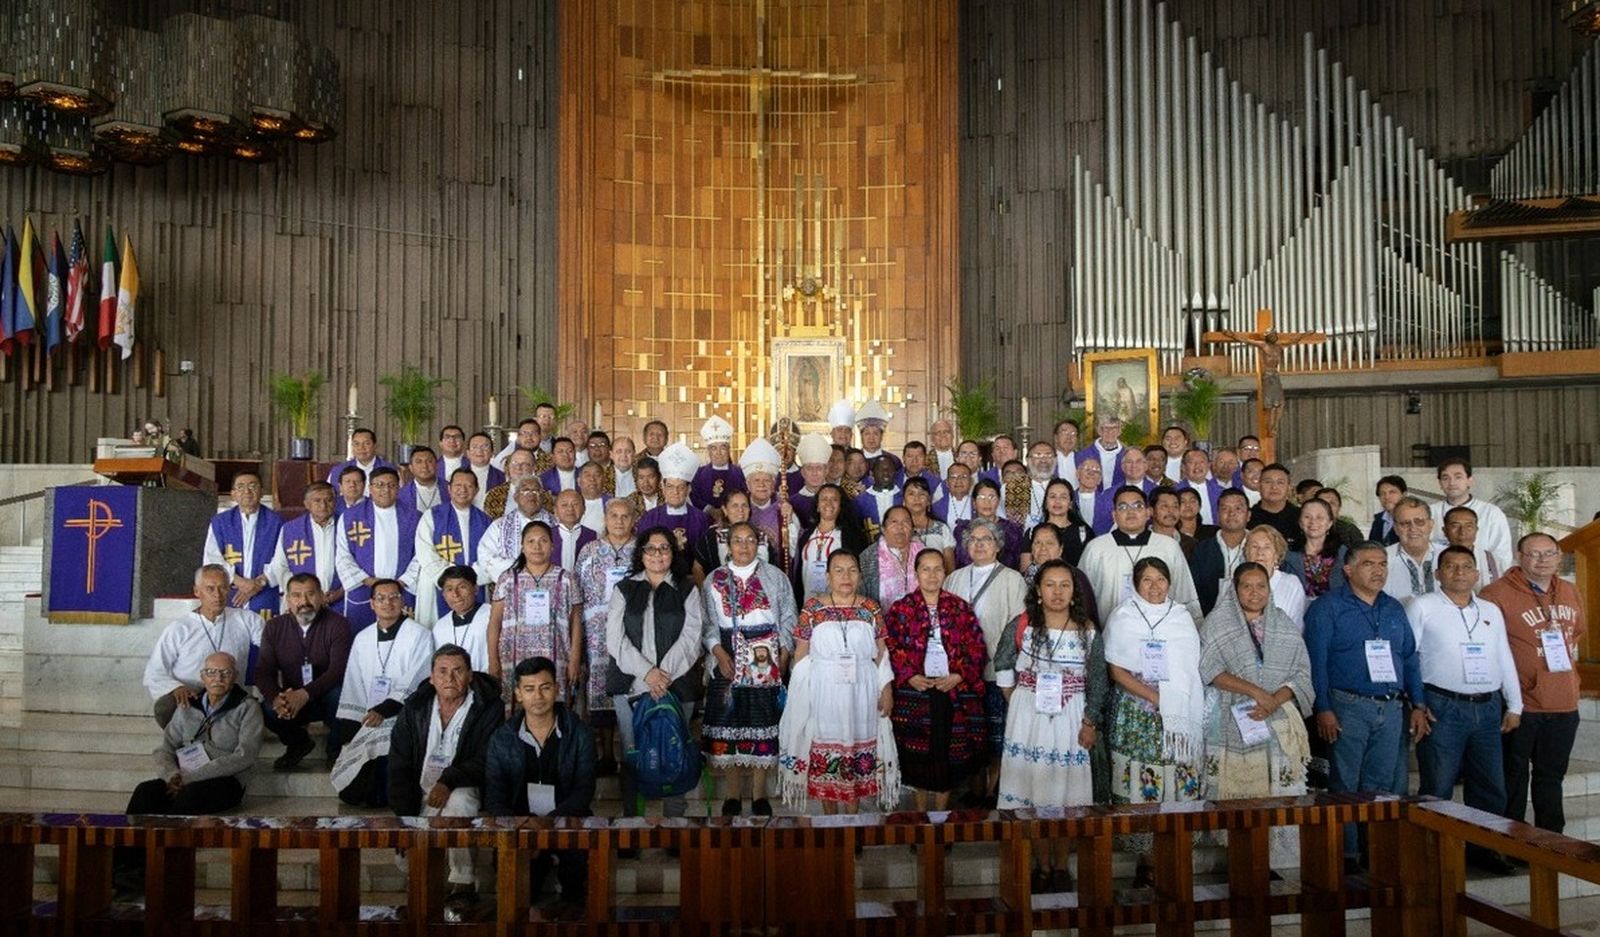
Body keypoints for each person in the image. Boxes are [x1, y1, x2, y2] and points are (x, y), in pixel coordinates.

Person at [1304, 542, 1428, 872]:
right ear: (1348, 569)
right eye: (1369, 563)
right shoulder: (1327, 608)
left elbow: (1410, 659)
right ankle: (1346, 855)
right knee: (1344, 785)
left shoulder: (1393, 608)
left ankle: (1377, 851)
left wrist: (1418, 704)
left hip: (1390, 709)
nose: (1378, 570)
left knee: (1382, 785)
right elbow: (1316, 664)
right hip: (1347, 705)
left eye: (1383, 564)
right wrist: (1324, 708)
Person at [994, 560, 1107, 892]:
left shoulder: (1087, 631)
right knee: (1033, 791)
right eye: (1050, 585)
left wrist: (1090, 722)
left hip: (1072, 718)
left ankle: (1061, 866)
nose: (1057, 592)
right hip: (1028, 718)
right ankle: (1040, 866)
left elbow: (1098, 681)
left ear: (1074, 592)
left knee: (1067, 791)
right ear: (1038, 592)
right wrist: (1017, 699)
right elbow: (1002, 661)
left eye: (1064, 585)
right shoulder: (1022, 624)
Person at [1408, 546, 1522, 873]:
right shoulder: (1422, 607)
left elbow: (1503, 656)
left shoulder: (1490, 609)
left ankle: (1484, 849)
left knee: (1489, 786)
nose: (1459, 572)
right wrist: (1416, 703)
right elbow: (1409, 658)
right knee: (1438, 786)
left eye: (1466, 567)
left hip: (1487, 708)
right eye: (1451, 566)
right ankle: (1432, 854)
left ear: (1476, 574)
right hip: (1442, 706)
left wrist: (1515, 704)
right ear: (1438, 573)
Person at [114, 651, 262, 895]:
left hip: (224, 781)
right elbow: (165, 748)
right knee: (146, 793)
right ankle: (122, 868)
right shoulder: (188, 706)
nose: (218, 678)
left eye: (225, 673)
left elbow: (244, 756)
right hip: (181, 777)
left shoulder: (247, 707)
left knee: (187, 799)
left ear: (234, 676)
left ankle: (157, 870)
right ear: (203, 677)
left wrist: (188, 778)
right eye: (212, 672)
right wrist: (171, 775)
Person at [1199, 563, 1314, 869]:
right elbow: (1209, 669)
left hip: (1277, 720)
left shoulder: (1283, 623)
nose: (1254, 592)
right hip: (1231, 716)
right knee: (1241, 800)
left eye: (1260, 586)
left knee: (1278, 796)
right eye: (1246, 586)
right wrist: (1255, 692)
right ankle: (1242, 864)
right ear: (1234, 590)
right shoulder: (1217, 623)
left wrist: (1274, 699)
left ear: (1269, 588)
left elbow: (1302, 673)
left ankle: (1275, 865)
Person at [1104, 557, 1205, 886]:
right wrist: (1155, 698)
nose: (1154, 586)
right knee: (1141, 786)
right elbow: (1116, 669)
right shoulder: (1123, 616)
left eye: (1160, 579)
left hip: (1177, 722)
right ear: (1135, 583)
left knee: (1177, 783)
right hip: (1137, 716)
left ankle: (1175, 857)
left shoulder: (1180, 617)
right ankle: (1146, 863)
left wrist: (1173, 701)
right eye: (1146, 580)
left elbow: (1191, 668)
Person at [1483, 533, 1587, 835]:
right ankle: (1510, 843)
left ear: (1559, 557)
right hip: (1521, 703)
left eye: (1549, 553)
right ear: (1519, 556)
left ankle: (1552, 841)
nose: (1542, 560)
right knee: (1513, 776)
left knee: (1551, 776)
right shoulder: (1496, 593)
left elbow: (1576, 633)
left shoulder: (1569, 590)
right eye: (1533, 554)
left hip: (1564, 700)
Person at [779, 549, 898, 813]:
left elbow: (881, 653)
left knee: (856, 751)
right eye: (839, 570)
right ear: (828, 576)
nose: (846, 576)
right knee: (826, 753)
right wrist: (800, 697)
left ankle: (852, 823)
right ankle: (829, 824)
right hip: (824, 693)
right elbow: (801, 655)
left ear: (860, 575)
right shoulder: (812, 609)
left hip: (862, 692)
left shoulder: (871, 608)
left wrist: (886, 688)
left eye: (852, 570)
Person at [388, 645, 503, 912]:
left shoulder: (488, 706)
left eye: (457, 671)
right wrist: (405, 816)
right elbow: (399, 765)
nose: (450, 679)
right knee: (411, 858)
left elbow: (488, 757)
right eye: (442, 672)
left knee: (459, 802)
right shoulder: (415, 708)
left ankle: (463, 884)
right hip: (421, 789)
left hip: (466, 784)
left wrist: (449, 779)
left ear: (471, 675)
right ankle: (425, 882)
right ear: (431, 677)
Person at [699, 521, 798, 815]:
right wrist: (718, 653)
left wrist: (782, 655)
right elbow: (707, 623)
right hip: (726, 653)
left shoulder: (775, 577)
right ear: (728, 545)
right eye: (738, 540)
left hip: (765, 657)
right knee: (729, 724)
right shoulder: (713, 579)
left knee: (761, 724)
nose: (744, 546)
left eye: (750, 540)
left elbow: (789, 617)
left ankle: (758, 795)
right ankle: (732, 795)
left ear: (759, 544)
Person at [607, 526, 706, 819]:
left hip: (676, 684)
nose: (658, 554)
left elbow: (692, 637)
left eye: (665, 548)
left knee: (676, 747)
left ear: (673, 553)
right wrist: (647, 674)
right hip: (631, 685)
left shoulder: (686, 588)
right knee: (632, 753)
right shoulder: (624, 589)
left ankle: (675, 818)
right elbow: (615, 639)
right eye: (651, 548)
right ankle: (631, 819)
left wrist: (663, 676)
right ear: (641, 553)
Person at [484, 656, 597, 907]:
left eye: (545, 687)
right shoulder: (502, 739)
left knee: (577, 889)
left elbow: (584, 791)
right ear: (517, 693)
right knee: (515, 896)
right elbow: (494, 797)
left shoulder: (580, 733)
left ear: (557, 689)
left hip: (568, 821)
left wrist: (548, 824)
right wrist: (523, 826)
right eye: (529, 689)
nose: (538, 696)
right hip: (520, 826)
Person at [885, 548, 989, 809]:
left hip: (951, 690)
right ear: (916, 573)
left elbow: (976, 647)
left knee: (947, 754)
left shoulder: (959, 608)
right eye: (925, 569)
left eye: (938, 569)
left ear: (945, 572)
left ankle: (941, 815)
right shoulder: (902, 608)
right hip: (916, 691)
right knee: (918, 755)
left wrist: (958, 675)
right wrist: (909, 676)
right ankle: (921, 815)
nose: (932, 575)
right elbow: (890, 647)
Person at [329, 579, 434, 807]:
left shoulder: (419, 635)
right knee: (351, 788)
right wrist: (351, 726)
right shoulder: (363, 638)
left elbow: (418, 676)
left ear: (402, 601)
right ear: (371, 604)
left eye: (394, 597)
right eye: (381, 598)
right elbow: (353, 684)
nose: (388, 603)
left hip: (403, 714)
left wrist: (385, 709)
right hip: (370, 715)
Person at [947, 516, 1029, 796]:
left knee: (996, 737)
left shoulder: (1012, 579)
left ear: (998, 546)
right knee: (969, 736)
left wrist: (1001, 663)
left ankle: (992, 792)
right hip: (961, 675)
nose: (979, 544)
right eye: (973, 540)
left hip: (995, 674)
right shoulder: (954, 578)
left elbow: (1016, 628)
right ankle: (971, 790)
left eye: (986, 539)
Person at [144, 565, 263, 727]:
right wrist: (176, 688)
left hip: (230, 694)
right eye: (210, 589)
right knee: (166, 706)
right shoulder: (180, 628)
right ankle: (186, 742)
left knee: (252, 709)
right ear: (197, 591)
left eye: (223, 588)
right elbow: (155, 671)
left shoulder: (247, 619)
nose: (217, 595)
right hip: (192, 695)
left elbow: (273, 646)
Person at [256, 574, 352, 770]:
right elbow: (264, 671)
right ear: (288, 599)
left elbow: (338, 671)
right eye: (297, 596)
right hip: (293, 701)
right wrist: (276, 698)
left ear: (322, 596)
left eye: (310, 594)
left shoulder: (337, 624)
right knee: (266, 708)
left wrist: (305, 694)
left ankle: (335, 751)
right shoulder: (274, 627)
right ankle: (298, 744)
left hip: (326, 696)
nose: (304, 602)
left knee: (341, 696)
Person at [573, 499, 638, 773]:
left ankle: (631, 753)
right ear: (605, 518)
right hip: (598, 633)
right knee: (601, 690)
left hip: (633, 630)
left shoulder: (641, 550)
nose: (619, 521)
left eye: (625, 516)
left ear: (633, 519)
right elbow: (578, 592)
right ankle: (608, 755)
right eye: (614, 516)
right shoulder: (589, 550)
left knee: (631, 689)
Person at [488, 522, 583, 706]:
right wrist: (493, 661)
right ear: (522, 547)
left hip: (556, 656)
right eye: (531, 541)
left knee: (553, 708)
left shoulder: (566, 579)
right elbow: (494, 622)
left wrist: (575, 660)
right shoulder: (508, 579)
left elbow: (576, 623)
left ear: (552, 545)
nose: (537, 547)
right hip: (513, 657)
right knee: (517, 708)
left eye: (543, 541)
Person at [1078, 486, 1202, 625]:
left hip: (1162, 631)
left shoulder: (1168, 547)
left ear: (1148, 512)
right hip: (1109, 631)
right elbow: (1082, 597)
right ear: (1114, 515)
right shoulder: (1096, 548)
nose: (1131, 512)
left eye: (1137, 506)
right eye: (1123, 507)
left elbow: (1184, 592)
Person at [334, 467, 420, 632]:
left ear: (398, 487)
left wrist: (401, 582)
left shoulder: (414, 517)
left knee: (403, 638)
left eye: (391, 485)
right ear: (370, 488)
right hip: (363, 589)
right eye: (379, 485)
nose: (385, 490)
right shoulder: (350, 517)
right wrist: (368, 581)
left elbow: (420, 556)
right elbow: (343, 556)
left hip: (401, 590)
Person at [410, 468, 493, 626]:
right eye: (458, 485)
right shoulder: (432, 516)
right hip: (438, 584)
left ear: (476, 490)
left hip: (474, 587)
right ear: (449, 488)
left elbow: (491, 557)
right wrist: (452, 581)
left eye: (468, 486)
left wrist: (470, 580)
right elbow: (425, 552)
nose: (463, 490)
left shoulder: (486, 521)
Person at [203, 472, 284, 618]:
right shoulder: (220, 523)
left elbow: (282, 560)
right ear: (233, 494)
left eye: (252, 486)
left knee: (264, 636)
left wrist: (258, 584)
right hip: (230, 590)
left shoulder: (277, 522)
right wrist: (238, 581)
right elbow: (212, 558)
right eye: (240, 487)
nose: (247, 491)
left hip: (265, 592)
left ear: (261, 492)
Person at [639, 442, 713, 577]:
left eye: (681, 487)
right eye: (670, 486)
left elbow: (705, 557)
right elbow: (641, 556)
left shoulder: (701, 518)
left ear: (689, 489)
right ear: (663, 487)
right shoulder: (649, 518)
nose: (676, 492)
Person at [268, 482, 343, 612]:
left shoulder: (345, 525)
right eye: (317, 501)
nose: (323, 505)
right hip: (302, 603)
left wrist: (340, 592)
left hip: (339, 599)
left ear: (335, 502)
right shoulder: (291, 529)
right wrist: (299, 594)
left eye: (328, 500)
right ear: (307, 504)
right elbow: (280, 565)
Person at [1431, 459, 1513, 574]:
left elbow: (1502, 554)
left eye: (1458, 477)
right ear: (1439, 483)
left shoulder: (1491, 512)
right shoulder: (1430, 512)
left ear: (1470, 481)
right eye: (1445, 478)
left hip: (1483, 577)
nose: (1452, 482)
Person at [795, 482, 868, 599]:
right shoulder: (806, 536)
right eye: (824, 499)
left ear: (840, 506)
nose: (828, 503)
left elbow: (861, 574)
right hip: (809, 604)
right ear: (817, 506)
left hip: (840, 605)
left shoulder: (852, 536)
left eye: (834, 499)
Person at [740, 439, 799, 573]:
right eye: (756, 480)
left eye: (767, 480)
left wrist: (790, 522)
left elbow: (794, 549)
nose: (761, 485)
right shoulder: (740, 508)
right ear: (748, 485)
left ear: (774, 485)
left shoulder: (783, 508)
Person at [481, 476, 553, 583]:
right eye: (525, 490)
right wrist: (521, 571)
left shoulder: (556, 524)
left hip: (549, 585)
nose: (531, 494)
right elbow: (485, 556)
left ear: (543, 496)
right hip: (510, 588)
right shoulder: (499, 526)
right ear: (515, 497)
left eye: (536, 490)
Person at [1190, 488, 1251, 615]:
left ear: (1248, 515)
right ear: (1217, 514)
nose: (1231, 513)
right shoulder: (1202, 549)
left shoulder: (1258, 547)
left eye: (1238, 509)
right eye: (1225, 509)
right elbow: (1195, 591)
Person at [432, 565, 494, 687]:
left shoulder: (492, 615)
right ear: (443, 595)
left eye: (462, 587)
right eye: (449, 589)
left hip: (487, 685)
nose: (456, 594)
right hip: (452, 688)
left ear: (475, 589)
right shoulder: (440, 626)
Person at [694, 488, 772, 577]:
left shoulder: (760, 535)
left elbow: (772, 568)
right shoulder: (711, 535)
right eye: (735, 505)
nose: (740, 510)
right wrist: (705, 589)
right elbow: (697, 568)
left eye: (744, 505)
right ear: (725, 510)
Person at [1243, 526, 1309, 629]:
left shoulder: (1292, 584)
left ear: (1277, 555)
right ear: (1247, 553)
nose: (1260, 552)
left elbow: (1296, 628)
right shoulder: (1233, 583)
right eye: (1254, 546)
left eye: (1267, 547)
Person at [859, 506, 924, 609]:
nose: (900, 527)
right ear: (883, 529)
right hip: (882, 621)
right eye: (894, 522)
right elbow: (862, 597)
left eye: (906, 522)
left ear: (912, 529)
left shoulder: (923, 553)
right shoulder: (868, 557)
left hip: (921, 620)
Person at [1285, 497, 1349, 602]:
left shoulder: (1343, 554)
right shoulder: (1288, 554)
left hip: (1335, 612)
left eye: (1320, 517)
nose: (1313, 522)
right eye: (1307, 517)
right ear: (1300, 523)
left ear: (1330, 523)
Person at [954, 479, 1025, 569]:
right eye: (982, 497)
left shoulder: (1012, 530)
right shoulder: (963, 529)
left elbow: (1017, 563)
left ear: (998, 501)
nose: (987, 502)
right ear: (974, 503)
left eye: (992, 497)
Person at [1384, 496, 1441, 601]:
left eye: (1419, 522)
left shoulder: (1447, 556)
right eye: (1405, 523)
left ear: (1431, 525)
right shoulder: (1382, 559)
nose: (1413, 528)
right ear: (1396, 529)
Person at [691, 416, 745, 512]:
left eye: (723, 448)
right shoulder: (699, 474)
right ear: (708, 451)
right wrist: (710, 510)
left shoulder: (740, 473)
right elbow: (694, 496)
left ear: (728, 450)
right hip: (705, 521)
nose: (718, 453)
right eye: (714, 448)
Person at [1443, 505, 1503, 587]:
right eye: (1455, 526)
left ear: (1476, 530)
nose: (1462, 532)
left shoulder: (1491, 560)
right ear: (1445, 531)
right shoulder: (1434, 556)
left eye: (1469, 526)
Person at [1249, 464, 1303, 552]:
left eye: (1280, 482)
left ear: (1289, 488)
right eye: (1268, 482)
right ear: (1259, 486)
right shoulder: (1248, 517)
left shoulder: (1301, 517)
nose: (1274, 487)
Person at [902, 477, 954, 569]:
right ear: (904, 501)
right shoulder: (899, 528)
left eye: (922, 494)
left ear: (929, 500)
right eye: (911, 494)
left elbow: (949, 567)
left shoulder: (942, 528)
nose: (916, 498)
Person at [325, 427, 394, 490]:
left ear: (375, 446)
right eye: (356, 444)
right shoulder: (339, 471)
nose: (361, 448)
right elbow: (330, 496)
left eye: (367, 443)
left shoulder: (390, 470)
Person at [854, 454, 903, 539]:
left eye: (889, 469)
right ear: (872, 473)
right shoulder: (860, 501)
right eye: (880, 469)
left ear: (895, 472)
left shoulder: (903, 497)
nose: (885, 472)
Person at [550, 490, 597, 571]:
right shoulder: (546, 536)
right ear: (555, 510)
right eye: (564, 505)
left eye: (575, 504)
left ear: (584, 509)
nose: (570, 509)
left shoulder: (595, 537)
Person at [483, 448, 536, 520]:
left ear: (533, 468)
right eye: (514, 463)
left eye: (525, 464)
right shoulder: (494, 495)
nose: (518, 468)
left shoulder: (543, 496)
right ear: (508, 466)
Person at [1174, 448, 1222, 526]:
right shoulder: (1175, 491)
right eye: (1191, 462)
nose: (1197, 466)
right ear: (1183, 467)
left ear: (1209, 465)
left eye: (1201, 462)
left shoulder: (1221, 491)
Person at [1148, 488, 1198, 559]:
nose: (1171, 511)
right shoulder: (1141, 542)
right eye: (1164, 506)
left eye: (1175, 506)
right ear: (1151, 511)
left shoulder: (1191, 544)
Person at [855, 400, 900, 476]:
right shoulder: (855, 459)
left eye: (875, 433)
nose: (871, 438)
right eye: (867, 433)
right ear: (861, 436)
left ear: (882, 436)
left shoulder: (893, 460)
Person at [1080, 413, 1126, 486]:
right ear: (1099, 431)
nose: (1110, 431)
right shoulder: (1085, 454)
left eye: (1114, 428)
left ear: (1119, 431)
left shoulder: (1126, 454)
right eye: (1105, 428)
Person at [1072, 458, 1113, 536]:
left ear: (1100, 480)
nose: (1091, 473)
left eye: (1096, 471)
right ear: (1077, 474)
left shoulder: (1109, 504)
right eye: (1087, 469)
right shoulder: (1068, 500)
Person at [398, 446, 443, 515]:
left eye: (429, 461)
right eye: (419, 462)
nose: (424, 466)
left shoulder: (449, 489)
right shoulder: (401, 495)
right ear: (411, 468)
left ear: (437, 465)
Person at [464, 432, 506, 506]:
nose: (479, 451)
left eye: (485, 447)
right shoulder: (456, 476)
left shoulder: (502, 478)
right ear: (468, 453)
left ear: (492, 453)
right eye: (474, 447)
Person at [932, 460, 976, 526]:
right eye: (953, 477)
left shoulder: (978, 505)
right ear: (947, 482)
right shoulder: (936, 507)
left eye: (963, 477)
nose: (958, 481)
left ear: (971, 482)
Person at [1368, 475, 1406, 545]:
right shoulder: (1378, 520)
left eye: (1392, 492)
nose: (1387, 497)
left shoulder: (1410, 519)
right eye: (1382, 494)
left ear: (1403, 495)